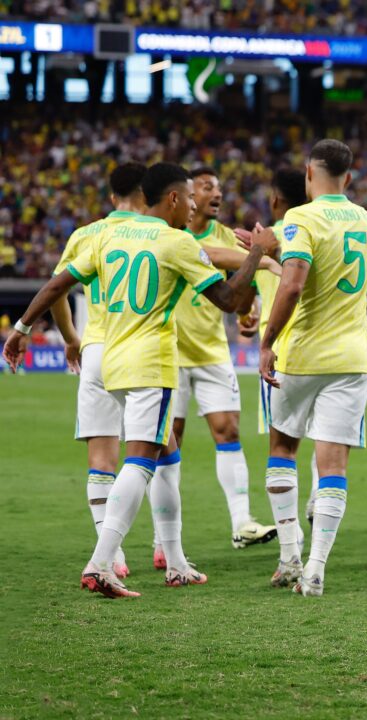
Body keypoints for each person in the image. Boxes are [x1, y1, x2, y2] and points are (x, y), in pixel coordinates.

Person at [3, 162, 276, 597]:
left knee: (164, 455)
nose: (192, 205)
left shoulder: (107, 235)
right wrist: (260, 254)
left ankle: (176, 562)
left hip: (109, 359)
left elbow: (58, 285)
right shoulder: (177, 241)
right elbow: (227, 299)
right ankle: (101, 562)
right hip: (151, 364)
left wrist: (21, 328)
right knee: (142, 460)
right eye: (189, 197)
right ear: (172, 199)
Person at [259, 139, 367, 597]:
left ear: (309, 173)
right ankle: (316, 568)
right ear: (348, 177)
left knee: (283, 447)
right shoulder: (364, 219)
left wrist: (267, 342)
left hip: (303, 355)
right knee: (333, 466)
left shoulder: (300, 218)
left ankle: (289, 556)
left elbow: (291, 286)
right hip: (350, 359)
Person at [156, 165, 275, 562]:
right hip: (168, 350)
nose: (215, 193)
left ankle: (242, 522)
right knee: (167, 442)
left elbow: (245, 290)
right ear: (187, 194)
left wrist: (248, 311)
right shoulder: (170, 234)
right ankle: (163, 540)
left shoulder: (229, 239)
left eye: (219, 188)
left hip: (209, 350)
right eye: (206, 187)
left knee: (228, 431)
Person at [49, 162, 147, 579]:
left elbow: (58, 290)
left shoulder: (87, 234)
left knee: (101, 457)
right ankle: (168, 550)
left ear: (111, 198)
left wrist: (73, 336)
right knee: (151, 450)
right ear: (147, 194)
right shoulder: (156, 235)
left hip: (96, 348)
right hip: (140, 350)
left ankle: (114, 555)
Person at [232, 167, 320, 524]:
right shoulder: (319, 231)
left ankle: (291, 537)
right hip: (325, 345)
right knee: (325, 435)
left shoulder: (264, 239)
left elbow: (246, 293)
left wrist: (246, 316)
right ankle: (319, 493)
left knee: (283, 445)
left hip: (281, 350)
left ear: (275, 199)